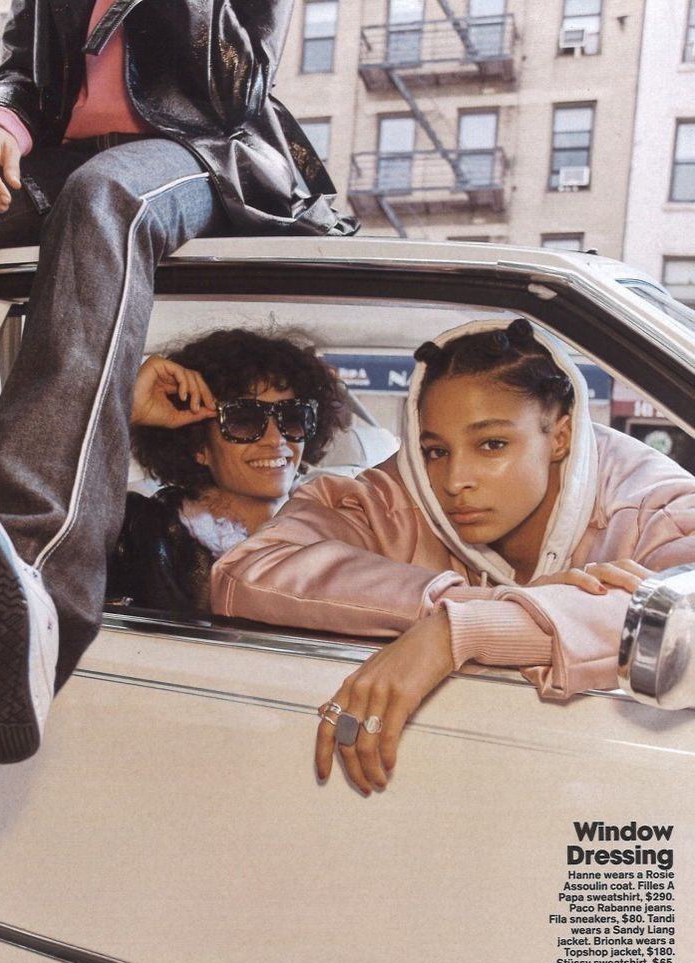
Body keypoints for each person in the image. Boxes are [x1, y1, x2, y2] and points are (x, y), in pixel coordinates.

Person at [0, 0, 357, 764]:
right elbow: (26, 70)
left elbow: (229, 84)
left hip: (205, 154)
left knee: (104, 200)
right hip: (64, 157)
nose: (274, 436)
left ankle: (34, 579)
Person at [210, 318, 695, 795]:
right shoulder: (406, 490)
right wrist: (460, 604)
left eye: (492, 444)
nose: (454, 479)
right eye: (435, 450)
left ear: (560, 436)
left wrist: (455, 632)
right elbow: (246, 571)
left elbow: (681, 618)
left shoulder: (651, 501)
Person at [107, 329, 343, 614]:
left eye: (293, 418)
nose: (276, 439)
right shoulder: (143, 532)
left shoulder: (338, 526)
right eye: (244, 420)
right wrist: (124, 411)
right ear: (199, 446)